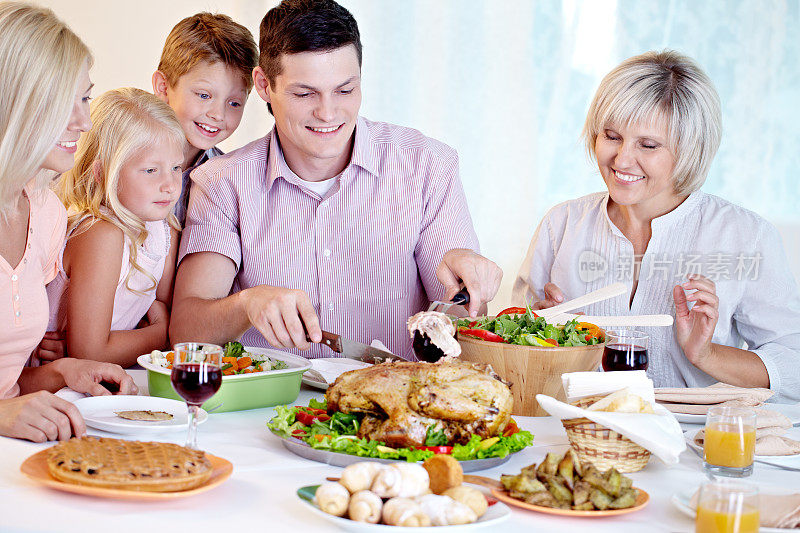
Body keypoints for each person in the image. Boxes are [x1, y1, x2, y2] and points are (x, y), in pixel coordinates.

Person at [171, 0, 502, 359]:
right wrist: (245, 304)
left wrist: (471, 282)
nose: (328, 113)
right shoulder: (221, 183)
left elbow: (459, 319)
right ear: (264, 86)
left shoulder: (427, 165)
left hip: (398, 400)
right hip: (271, 409)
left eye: (345, 90)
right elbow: (186, 332)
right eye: (304, 93)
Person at [513, 50, 800, 401]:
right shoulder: (563, 225)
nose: (621, 160)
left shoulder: (743, 236)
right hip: (580, 436)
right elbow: (514, 363)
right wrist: (537, 335)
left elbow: (794, 366)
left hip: (695, 443)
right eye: (612, 136)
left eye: (647, 145)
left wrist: (705, 354)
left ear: (690, 149)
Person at [0, 2, 135, 442]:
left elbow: (12, 390)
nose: (84, 121)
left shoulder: (45, 212)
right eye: (65, 102)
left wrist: (63, 372)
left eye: (85, 97)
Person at [46, 88, 185, 368]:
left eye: (176, 167)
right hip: (56, 386)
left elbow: (166, 309)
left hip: (110, 376)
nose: (170, 185)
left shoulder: (163, 230)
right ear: (102, 173)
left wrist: (161, 327)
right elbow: (91, 354)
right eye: (150, 170)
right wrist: (160, 334)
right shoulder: (100, 233)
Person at [152, 12, 258, 226]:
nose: (218, 114)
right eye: (204, 95)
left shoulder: (225, 179)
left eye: (234, 103)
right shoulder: (126, 152)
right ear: (163, 87)